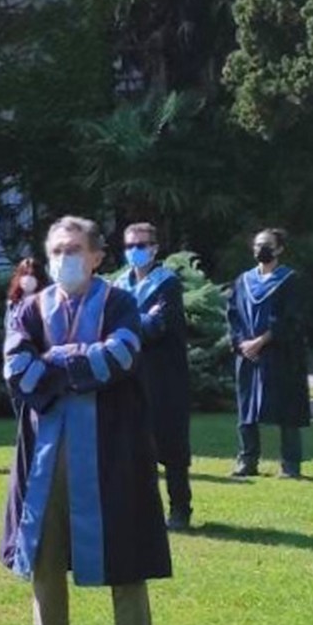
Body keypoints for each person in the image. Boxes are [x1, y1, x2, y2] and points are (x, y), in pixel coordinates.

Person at [1, 216, 170, 625]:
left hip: (112, 446)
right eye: (56, 250)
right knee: (44, 551)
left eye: (73, 250)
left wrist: (55, 359)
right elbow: (16, 367)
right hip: (45, 453)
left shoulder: (120, 303)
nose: (63, 259)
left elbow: (121, 355)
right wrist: (77, 361)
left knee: (125, 550)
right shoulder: (31, 308)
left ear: (97, 257)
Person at [113, 224, 193, 529]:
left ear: (155, 247)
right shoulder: (121, 283)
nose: (135, 250)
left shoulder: (167, 284)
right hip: (129, 376)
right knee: (132, 447)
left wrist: (125, 325)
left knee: (171, 446)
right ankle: (141, 512)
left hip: (164, 378)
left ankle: (180, 509)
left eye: (142, 244)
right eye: (130, 244)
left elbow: (157, 326)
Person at [228, 228, 310, 480]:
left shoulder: (290, 280)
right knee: (246, 409)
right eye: (257, 245)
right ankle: (247, 461)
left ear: (279, 249)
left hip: (280, 353)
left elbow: (292, 320)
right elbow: (233, 315)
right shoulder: (243, 281)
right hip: (248, 355)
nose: (260, 249)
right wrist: (243, 343)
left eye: (266, 245)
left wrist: (262, 341)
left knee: (287, 407)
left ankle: (290, 464)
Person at [5, 258, 41, 333]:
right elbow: (8, 328)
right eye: (25, 274)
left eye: (32, 275)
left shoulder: (46, 302)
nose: (27, 279)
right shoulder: (13, 303)